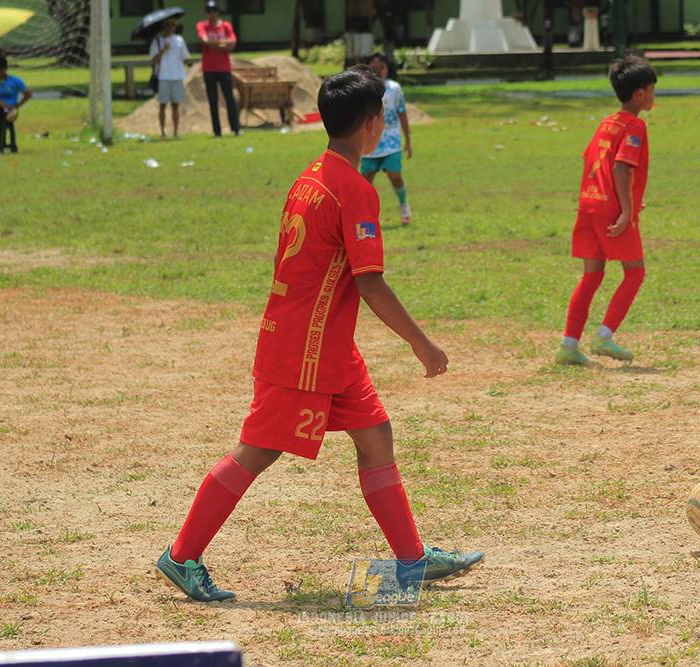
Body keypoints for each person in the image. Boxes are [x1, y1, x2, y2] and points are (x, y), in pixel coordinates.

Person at [155, 66, 484, 603]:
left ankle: (411, 559)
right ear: (373, 124)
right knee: (257, 450)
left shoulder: (310, 174)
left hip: (322, 345)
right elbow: (370, 283)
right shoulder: (354, 191)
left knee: (376, 437)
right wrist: (422, 343)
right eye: (381, 114)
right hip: (303, 351)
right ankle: (183, 555)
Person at [555, 56, 656, 366]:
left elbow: (591, 160)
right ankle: (604, 336)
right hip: (612, 213)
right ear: (640, 93)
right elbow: (621, 166)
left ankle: (569, 346)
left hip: (589, 206)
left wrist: (617, 200)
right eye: (652, 89)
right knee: (635, 272)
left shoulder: (607, 122)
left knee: (592, 276)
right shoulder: (635, 124)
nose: (654, 96)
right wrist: (625, 210)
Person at [359, 53, 413, 225]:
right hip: (369, 142)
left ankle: (403, 203)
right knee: (365, 180)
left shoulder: (395, 88)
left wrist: (408, 141)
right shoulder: (363, 89)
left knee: (394, 175)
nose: (378, 71)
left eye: (382, 67)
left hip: (391, 141)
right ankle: (364, 215)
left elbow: (402, 114)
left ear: (387, 69)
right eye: (374, 68)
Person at [197, 0, 241, 137]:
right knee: (213, 101)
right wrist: (223, 45)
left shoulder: (226, 25)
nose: (212, 14)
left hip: (225, 68)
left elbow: (233, 43)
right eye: (209, 11)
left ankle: (236, 129)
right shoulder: (202, 25)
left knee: (230, 98)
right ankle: (217, 131)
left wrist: (214, 45)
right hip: (209, 68)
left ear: (218, 12)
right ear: (206, 13)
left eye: (214, 11)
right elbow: (205, 40)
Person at [150, 17, 192, 139]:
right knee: (162, 105)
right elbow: (154, 60)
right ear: (164, 26)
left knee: (175, 106)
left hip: (177, 76)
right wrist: (164, 50)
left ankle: (176, 132)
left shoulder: (179, 40)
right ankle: (162, 131)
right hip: (163, 77)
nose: (170, 27)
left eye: (173, 25)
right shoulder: (158, 41)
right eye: (167, 25)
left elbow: (185, 58)